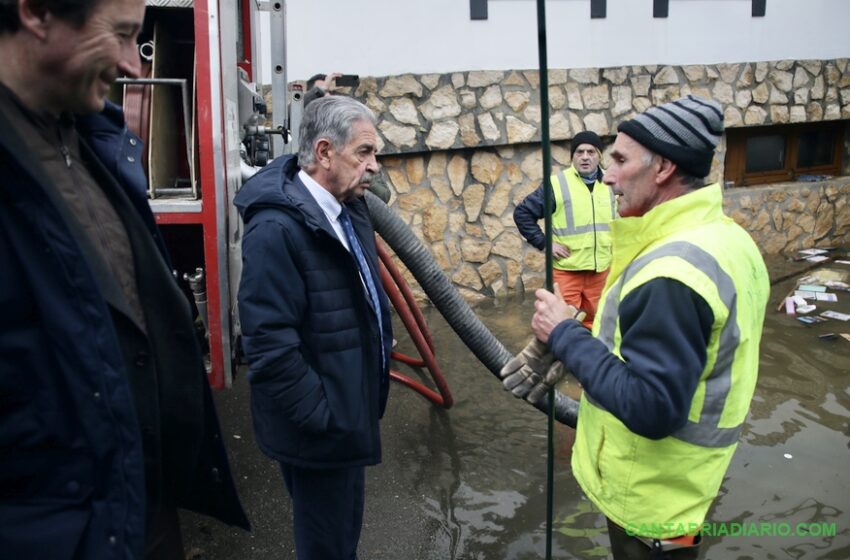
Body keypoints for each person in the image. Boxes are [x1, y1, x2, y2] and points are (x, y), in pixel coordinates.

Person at [0, 0, 249, 558]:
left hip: (135, 510)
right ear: (38, 13)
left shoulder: (92, 143)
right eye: (119, 36)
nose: (135, 67)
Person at [522, 96, 770, 559]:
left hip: (651, 504)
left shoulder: (672, 273)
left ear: (663, 169)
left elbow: (653, 407)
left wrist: (565, 335)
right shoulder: (730, 239)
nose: (608, 174)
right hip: (687, 486)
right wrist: (579, 347)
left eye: (618, 159)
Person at [235, 95, 393, 560]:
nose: (375, 166)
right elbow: (269, 348)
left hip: (346, 418)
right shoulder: (276, 230)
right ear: (324, 153)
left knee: (342, 542)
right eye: (364, 152)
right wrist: (325, 418)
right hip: (322, 432)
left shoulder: (348, 208)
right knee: (325, 549)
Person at [514, 130, 616, 329]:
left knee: (600, 324)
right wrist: (546, 243)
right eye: (579, 152)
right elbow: (523, 214)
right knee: (563, 325)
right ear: (572, 157)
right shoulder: (557, 184)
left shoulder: (611, 185)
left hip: (601, 271)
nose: (585, 157)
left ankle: (592, 359)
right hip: (567, 270)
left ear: (599, 156)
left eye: (591, 152)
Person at [302, 71, 392, 204]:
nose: (326, 102)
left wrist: (357, 176)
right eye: (320, 98)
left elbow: (383, 195)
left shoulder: (353, 139)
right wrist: (319, 91)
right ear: (323, 151)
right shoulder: (301, 138)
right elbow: (294, 111)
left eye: (329, 98)